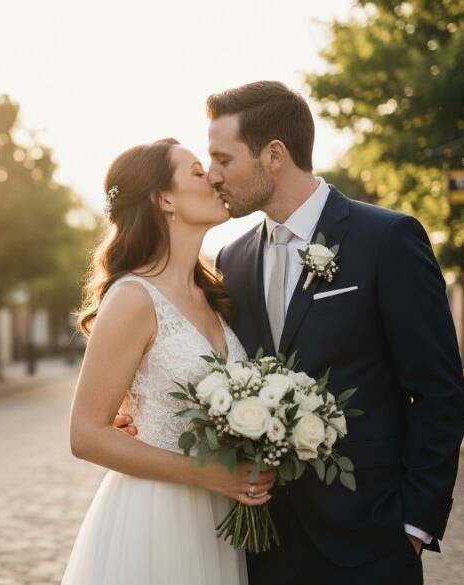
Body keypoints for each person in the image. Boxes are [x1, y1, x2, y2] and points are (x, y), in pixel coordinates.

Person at [116, 81, 464, 585]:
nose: (212, 176)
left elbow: (438, 389)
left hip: (370, 540)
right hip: (261, 542)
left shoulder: (386, 239)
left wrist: (413, 523)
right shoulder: (232, 261)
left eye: (223, 159)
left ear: (273, 155)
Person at [62, 138, 272, 585]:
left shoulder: (215, 294)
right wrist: (211, 475)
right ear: (164, 199)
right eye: (196, 171)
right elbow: (85, 434)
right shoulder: (132, 298)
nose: (213, 177)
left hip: (217, 515)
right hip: (157, 515)